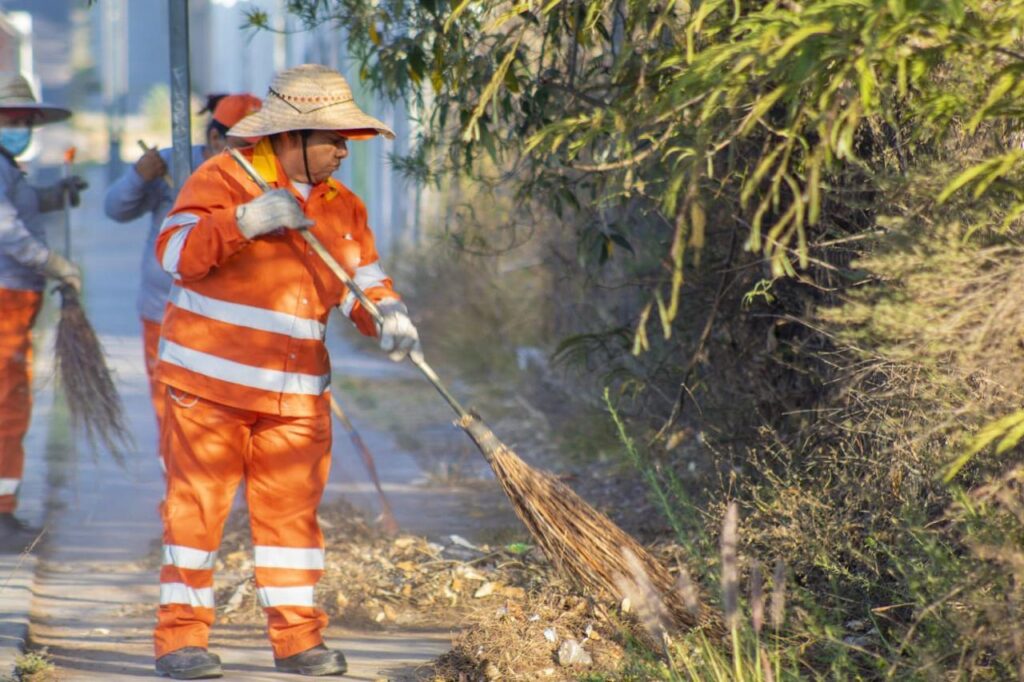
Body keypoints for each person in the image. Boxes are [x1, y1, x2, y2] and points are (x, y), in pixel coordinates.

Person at [151, 64, 421, 679]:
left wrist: (389, 314)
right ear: (291, 137)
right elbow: (174, 252)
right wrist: (245, 222)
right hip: (208, 389)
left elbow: (361, 279)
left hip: (297, 396)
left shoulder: (343, 207)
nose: (343, 151)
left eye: (348, 139)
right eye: (333, 139)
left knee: (290, 523)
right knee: (195, 514)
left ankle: (299, 641)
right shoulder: (223, 177)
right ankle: (181, 642)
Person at [104, 94, 261, 444]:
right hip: (165, 313)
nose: (254, 156)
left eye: (262, 146)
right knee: (173, 412)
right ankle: (177, 493)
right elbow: (115, 208)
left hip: (232, 318)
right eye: (244, 145)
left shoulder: (262, 178)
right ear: (216, 138)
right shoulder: (172, 165)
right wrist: (139, 177)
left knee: (226, 417)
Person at [0, 73, 87, 548]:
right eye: (9, 119)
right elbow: (8, 231)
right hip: (5, 299)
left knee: (11, 400)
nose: (18, 126)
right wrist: (53, 263)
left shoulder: (8, 168)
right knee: (7, 404)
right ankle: (1, 513)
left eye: (23, 119)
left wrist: (55, 194)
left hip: (15, 299)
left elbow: (19, 206)